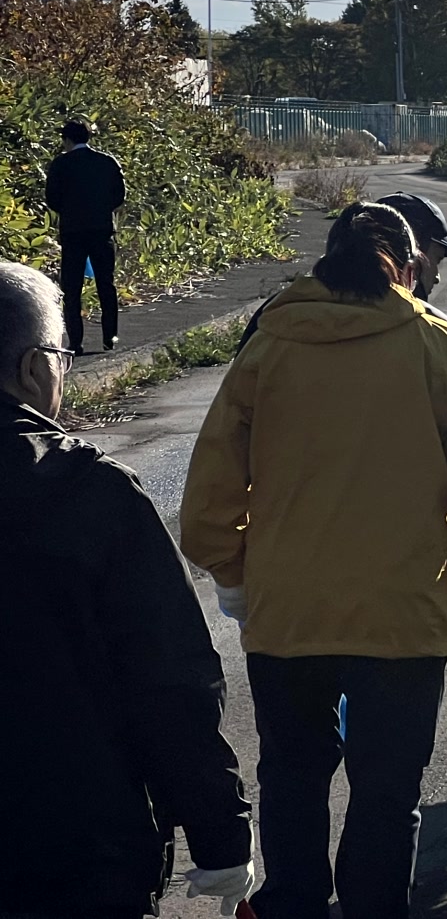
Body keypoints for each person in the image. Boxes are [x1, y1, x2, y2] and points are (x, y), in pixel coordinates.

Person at [181, 202, 447, 919]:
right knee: (387, 797)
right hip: (400, 620)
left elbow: (211, 482)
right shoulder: (436, 345)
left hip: (286, 617)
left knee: (293, 781)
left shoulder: (269, 342)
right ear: (410, 265)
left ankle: (293, 907)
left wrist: (232, 577)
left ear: (324, 261)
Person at [0, 260, 255, 919]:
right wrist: (220, 836)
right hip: (69, 850)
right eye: (63, 355)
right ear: (33, 368)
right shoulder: (86, 495)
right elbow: (168, 682)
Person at [236, 189, 447, 351]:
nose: (437, 276)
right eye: (436, 259)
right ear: (410, 260)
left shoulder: (271, 322)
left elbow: (226, 424)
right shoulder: (436, 337)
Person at [45, 117, 127, 352]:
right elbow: (119, 195)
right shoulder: (107, 162)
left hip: (72, 231)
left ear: (67, 140)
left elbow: (52, 198)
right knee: (106, 284)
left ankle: (76, 341)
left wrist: (70, 211)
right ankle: (109, 337)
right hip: (102, 229)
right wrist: (102, 210)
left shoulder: (61, 164)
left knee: (72, 287)